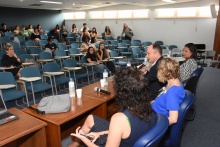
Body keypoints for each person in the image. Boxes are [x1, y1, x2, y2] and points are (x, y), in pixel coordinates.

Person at [70, 67, 156, 147]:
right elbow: (124, 131)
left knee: (86, 134)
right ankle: (75, 143)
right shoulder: (149, 106)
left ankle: (76, 143)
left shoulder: (119, 119)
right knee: (90, 118)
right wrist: (100, 133)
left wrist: (85, 140)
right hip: (130, 135)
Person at [151, 58, 185, 125]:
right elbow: (164, 99)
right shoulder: (173, 81)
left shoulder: (173, 92)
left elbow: (173, 119)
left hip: (155, 118)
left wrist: (157, 128)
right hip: (153, 111)